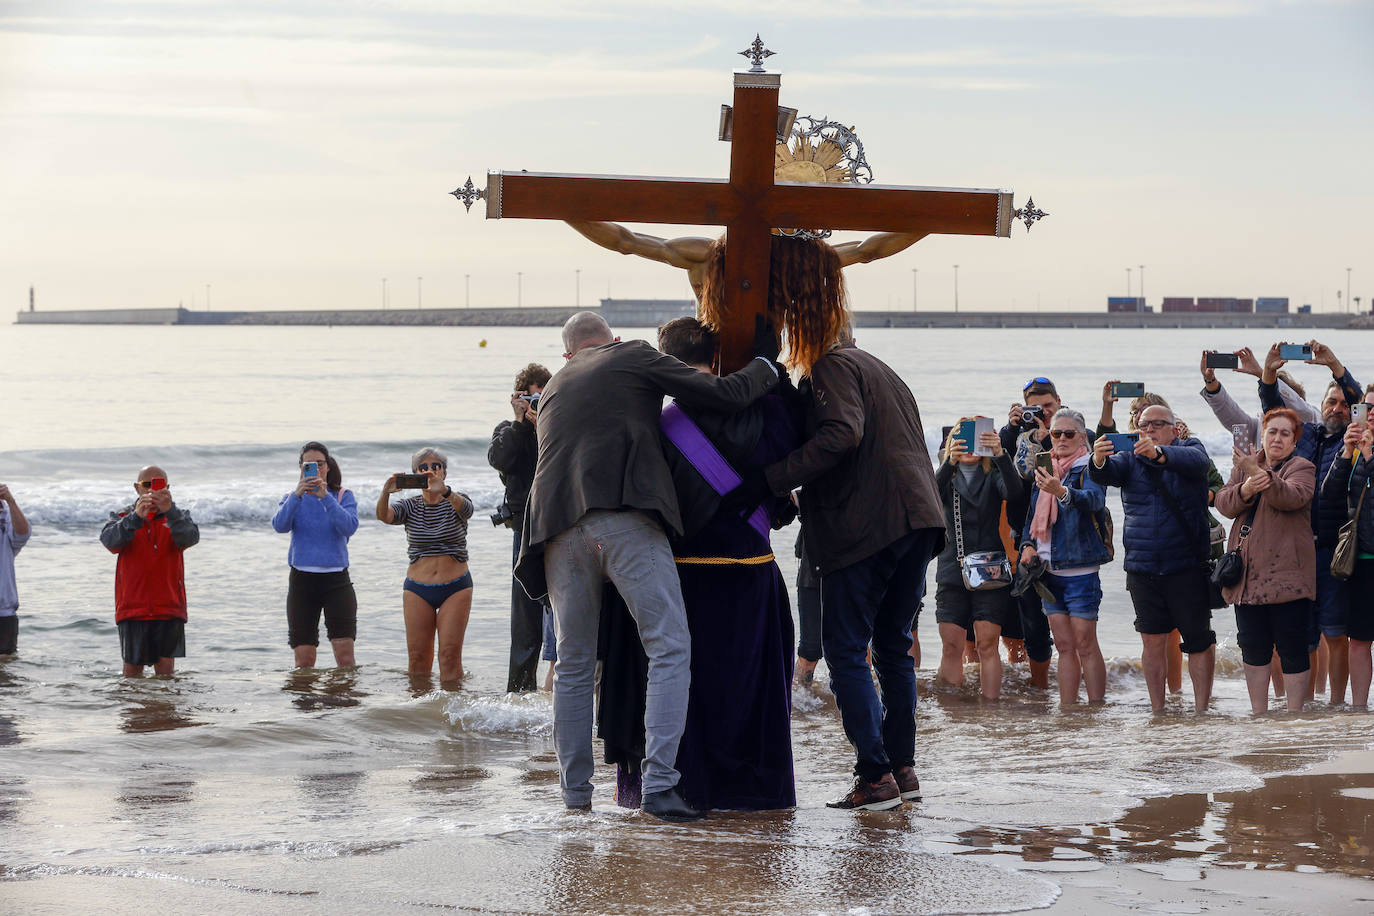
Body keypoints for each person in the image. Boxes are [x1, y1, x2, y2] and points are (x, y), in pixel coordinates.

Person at [514, 311, 780, 821]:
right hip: (623, 521)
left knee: (572, 665)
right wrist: (768, 365)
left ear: (567, 354)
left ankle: (575, 800)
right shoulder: (631, 353)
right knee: (670, 647)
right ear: (610, 340)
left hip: (555, 533)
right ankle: (660, 785)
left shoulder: (551, 390)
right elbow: (720, 395)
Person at [737, 328, 945, 811]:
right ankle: (902, 769)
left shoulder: (831, 367)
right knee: (893, 648)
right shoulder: (883, 370)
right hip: (918, 520)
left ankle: (873, 777)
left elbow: (841, 434)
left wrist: (770, 480)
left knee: (846, 651)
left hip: (867, 524)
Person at [653, 317, 800, 810]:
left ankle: (691, 787)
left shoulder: (658, 424)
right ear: (716, 359)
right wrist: (767, 361)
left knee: (688, 686)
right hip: (750, 566)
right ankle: (757, 794)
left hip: (685, 573)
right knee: (755, 691)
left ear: (666, 360)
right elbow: (798, 446)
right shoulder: (769, 414)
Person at [1090, 405, 1217, 713]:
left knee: (1198, 640)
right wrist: (1098, 457)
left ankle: (1202, 709)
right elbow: (1106, 473)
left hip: (1186, 564)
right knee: (1152, 641)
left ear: (1175, 429)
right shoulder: (1128, 460)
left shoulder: (1189, 448)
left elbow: (1198, 463)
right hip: (1142, 566)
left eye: (1158, 424)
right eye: (1144, 424)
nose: (1149, 429)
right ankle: (1158, 711)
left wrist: (1159, 454)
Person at [1258, 340, 1363, 704]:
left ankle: (1336, 704)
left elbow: (1359, 399)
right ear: (1320, 407)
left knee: (1335, 632)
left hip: (1333, 550)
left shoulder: (1354, 441)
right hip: (1296, 551)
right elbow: (1273, 409)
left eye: (1344, 404)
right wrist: (1268, 371)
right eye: (1330, 402)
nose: (1337, 408)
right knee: (1300, 635)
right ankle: (1304, 705)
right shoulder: (1304, 437)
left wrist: (1334, 364)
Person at [1215, 407, 1317, 714]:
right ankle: (1258, 714)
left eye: (1285, 433)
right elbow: (1224, 503)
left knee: (1292, 649)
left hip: (1289, 578)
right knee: (1253, 649)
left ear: (1294, 442)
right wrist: (1246, 486)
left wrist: (1256, 473)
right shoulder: (1245, 465)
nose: (1277, 438)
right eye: (1272, 431)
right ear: (1263, 435)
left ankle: (1294, 716)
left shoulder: (1303, 467)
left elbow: (1289, 497)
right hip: (1247, 578)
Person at [1018, 409, 1111, 706]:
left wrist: (1061, 492)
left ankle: (1097, 708)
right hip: (1047, 570)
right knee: (1064, 644)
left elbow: (1093, 501)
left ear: (1082, 437)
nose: (1062, 439)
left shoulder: (1090, 466)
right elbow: (1031, 518)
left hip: (1080, 569)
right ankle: (1069, 710)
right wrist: (1027, 547)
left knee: (1085, 641)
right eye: (1057, 434)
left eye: (1069, 434)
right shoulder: (1046, 469)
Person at [933, 423, 1023, 700]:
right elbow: (931, 494)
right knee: (951, 645)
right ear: (951, 443)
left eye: (975, 440)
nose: (968, 447)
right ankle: (951, 706)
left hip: (990, 569)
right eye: (961, 440)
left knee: (987, 644)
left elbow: (1015, 493)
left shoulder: (993, 473)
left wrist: (1000, 454)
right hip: (952, 569)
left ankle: (991, 708)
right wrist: (950, 462)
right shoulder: (946, 475)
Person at [376, 447, 475, 687]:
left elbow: (468, 511)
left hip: (456, 587)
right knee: (417, 660)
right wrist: (386, 492)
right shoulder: (410, 506)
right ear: (415, 475)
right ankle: (420, 717)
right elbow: (384, 516)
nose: (429, 471)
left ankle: (450, 715)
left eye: (435, 466)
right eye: (423, 468)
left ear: (444, 472)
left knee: (449, 657)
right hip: (417, 588)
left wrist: (447, 492)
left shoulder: (456, 499)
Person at [488, 362, 554, 693]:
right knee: (525, 618)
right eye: (533, 397)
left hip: (558, 527)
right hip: (524, 530)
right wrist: (520, 422)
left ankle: (557, 688)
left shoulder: (557, 426)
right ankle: (520, 695)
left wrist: (545, 422)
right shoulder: (508, 430)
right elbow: (501, 459)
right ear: (519, 398)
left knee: (559, 611)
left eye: (546, 395)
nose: (538, 404)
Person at [100, 466, 201, 676]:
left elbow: (189, 538)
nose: (152, 490)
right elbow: (110, 543)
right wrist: (135, 517)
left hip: (169, 606)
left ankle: (163, 707)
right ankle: (135, 708)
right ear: (137, 488)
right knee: (132, 672)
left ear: (168, 487)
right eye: (147, 485)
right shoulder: (121, 516)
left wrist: (170, 511)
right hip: (133, 607)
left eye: (158, 485)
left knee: (165, 672)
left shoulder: (178, 516)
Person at [996, 378, 1062, 689]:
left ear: (1058, 402)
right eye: (1035, 408)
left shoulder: (1069, 431)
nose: (1042, 413)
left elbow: (1074, 466)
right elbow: (999, 469)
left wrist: (1050, 437)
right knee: (1030, 620)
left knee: (1067, 620)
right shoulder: (1016, 435)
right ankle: (1039, 688)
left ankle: (1063, 682)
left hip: (1061, 538)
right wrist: (1010, 430)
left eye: (1047, 406)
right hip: (1021, 537)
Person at [271, 442, 360, 669]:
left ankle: (345, 704)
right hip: (302, 583)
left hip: (336, 582)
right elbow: (280, 525)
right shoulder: (292, 497)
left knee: (345, 659)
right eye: (308, 465)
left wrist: (324, 497)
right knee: (304, 661)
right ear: (301, 468)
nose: (316, 469)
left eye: (319, 464)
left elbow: (349, 527)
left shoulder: (342, 495)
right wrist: (297, 495)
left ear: (327, 466)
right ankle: (307, 703)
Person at [1320, 389, 1374, 708]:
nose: (1370, 412)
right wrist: (1346, 452)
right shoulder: (1353, 450)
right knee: (1359, 640)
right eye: (1366, 406)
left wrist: (1369, 458)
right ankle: (1359, 710)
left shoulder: (1366, 455)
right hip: (1362, 557)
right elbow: (1330, 494)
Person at [1199, 346, 1317, 444]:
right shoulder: (1259, 428)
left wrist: (1263, 374)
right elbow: (1229, 413)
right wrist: (1210, 380)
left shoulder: (1310, 421)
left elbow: (1301, 409)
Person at [0, 484, 31, 656]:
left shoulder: (6, 515)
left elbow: (22, 535)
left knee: (5, 674)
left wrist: (11, 501)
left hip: (3, 612)